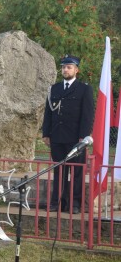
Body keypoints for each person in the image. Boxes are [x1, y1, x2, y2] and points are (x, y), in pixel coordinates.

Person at [42, 54, 94, 214]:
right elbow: (48, 113)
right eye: (64, 67)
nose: (65, 69)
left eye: (69, 67)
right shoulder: (55, 88)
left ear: (76, 70)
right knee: (59, 171)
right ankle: (57, 202)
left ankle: (74, 204)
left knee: (76, 172)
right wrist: (46, 133)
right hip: (57, 137)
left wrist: (83, 137)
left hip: (75, 138)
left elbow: (87, 115)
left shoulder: (84, 89)